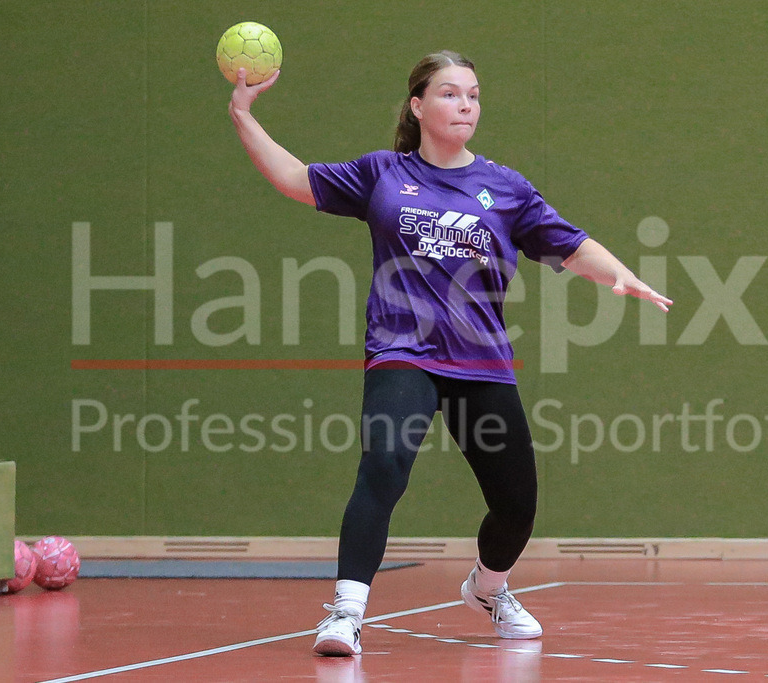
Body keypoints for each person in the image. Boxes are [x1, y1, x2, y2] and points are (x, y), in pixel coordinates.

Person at [229, 50, 672, 657]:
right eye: (449, 93)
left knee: (517, 506)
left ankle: (488, 589)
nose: (465, 104)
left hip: (480, 361)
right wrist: (244, 116)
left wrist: (619, 274)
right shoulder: (382, 173)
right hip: (402, 352)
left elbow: (569, 245)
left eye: (473, 95)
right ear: (418, 105)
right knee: (382, 467)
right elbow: (296, 179)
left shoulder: (504, 187)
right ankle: (345, 613)